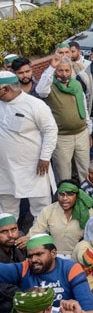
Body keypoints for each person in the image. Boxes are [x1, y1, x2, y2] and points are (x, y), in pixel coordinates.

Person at [0, 71, 57, 221]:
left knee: (40, 207)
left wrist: (45, 157)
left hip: (33, 167)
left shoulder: (34, 104)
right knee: (6, 208)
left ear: (6, 89)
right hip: (4, 169)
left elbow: (51, 131)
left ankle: (40, 240)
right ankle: (9, 240)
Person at [0, 234, 93, 311]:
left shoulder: (70, 269)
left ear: (53, 253)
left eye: (39, 254)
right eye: (30, 256)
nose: (33, 259)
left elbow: (88, 307)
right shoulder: (25, 268)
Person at [35, 54, 91, 183]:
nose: (64, 73)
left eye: (67, 70)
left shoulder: (76, 84)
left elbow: (83, 108)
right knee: (64, 172)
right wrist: (51, 66)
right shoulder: (49, 87)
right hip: (62, 137)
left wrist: (89, 130)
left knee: (85, 170)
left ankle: (86, 198)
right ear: (55, 71)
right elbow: (40, 90)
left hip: (82, 133)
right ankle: (66, 199)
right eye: (60, 70)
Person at [25, 180, 93, 257]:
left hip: (80, 255)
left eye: (70, 194)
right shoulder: (48, 210)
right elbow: (35, 232)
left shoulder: (88, 212)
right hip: (54, 256)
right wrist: (27, 239)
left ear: (77, 195)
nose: (65, 198)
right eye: (61, 194)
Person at [0, 213, 26, 313]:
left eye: (14, 229)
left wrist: (32, 246)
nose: (11, 235)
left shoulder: (22, 240)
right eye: (4, 232)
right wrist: (25, 295)